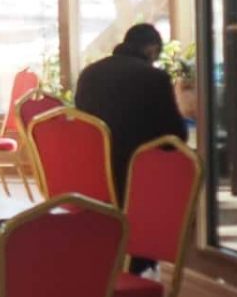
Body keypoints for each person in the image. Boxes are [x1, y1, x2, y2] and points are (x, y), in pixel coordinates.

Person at [73, 23, 185, 204]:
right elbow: (176, 135)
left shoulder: (89, 74)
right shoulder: (155, 78)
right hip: (138, 176)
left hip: (90, 172)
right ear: (152, 50)